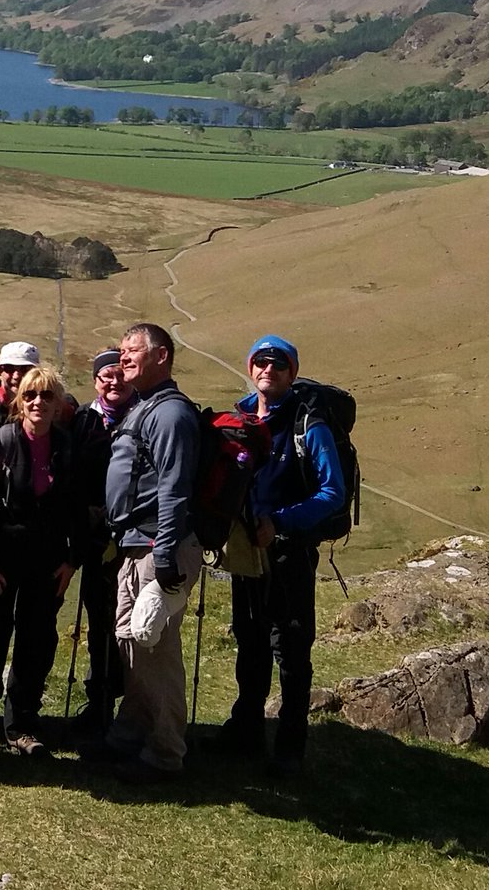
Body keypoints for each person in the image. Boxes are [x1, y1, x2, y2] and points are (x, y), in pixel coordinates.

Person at [216, 335, 344, 778]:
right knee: (249, 638)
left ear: (292, 373)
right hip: (247, 550)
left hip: (290, 552)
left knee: (290, 648)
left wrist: (281, 522)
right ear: (250, 367)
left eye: (279, 364)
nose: (268, 369)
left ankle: (290, 748)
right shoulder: (241, 417)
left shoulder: (309, 424)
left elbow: (333, 492)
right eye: (261, 361)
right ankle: (246, 729)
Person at [92, 323, 202, 784]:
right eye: (121, 350)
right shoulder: (145, 407)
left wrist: (165, 558)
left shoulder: (170, 414)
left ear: (162, 356)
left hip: (159, 548)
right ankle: (130, 733)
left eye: (133, 350)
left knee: (156, 650)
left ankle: (165, 752)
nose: (123, 357)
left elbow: (175, 488)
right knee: (133, 642)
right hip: (136, 545)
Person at [0, 366, 83, 756]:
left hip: (47, 564)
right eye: (30, 395)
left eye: (46, 395)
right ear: (19, 401)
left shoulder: (66, 448)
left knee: (37, 641)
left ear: (58, 404)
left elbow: (78, 509)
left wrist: (72, 561)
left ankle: (22, 725)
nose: (37, 402)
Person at [69, 347, 138, 733]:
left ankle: (131, 705)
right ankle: (99, 702)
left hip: (134, 537)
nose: (113, 381)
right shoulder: (83, 419)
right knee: (99, 619)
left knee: (130, 622)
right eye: (105, 375)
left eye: (119, 374)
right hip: (93, 538)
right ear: (96, 381)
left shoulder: (143, 416)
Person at [0, 341, 40, 429]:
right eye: (9, 368)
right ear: (0, 372)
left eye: (25, 369)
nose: (16, 376)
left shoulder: (47, 410)